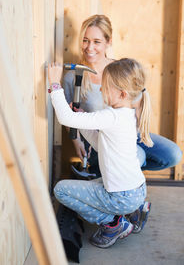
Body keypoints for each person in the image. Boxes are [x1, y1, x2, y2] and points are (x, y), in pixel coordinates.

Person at [48, 58, 152, 248]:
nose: (102, 90)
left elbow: (64, 117)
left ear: (121, 93)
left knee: (61, 190)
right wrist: (79, 118)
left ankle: (112, 224)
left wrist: (55, 85)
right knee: (94, 185)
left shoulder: (111, 116)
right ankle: (135, 211)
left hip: (121, 196)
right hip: (136, 191)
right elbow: (99, 144)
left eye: (105, 86)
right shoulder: (127, 114)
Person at [63, 14, 182, 176]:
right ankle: (116, 171)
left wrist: (137, 133)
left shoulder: (119, 71)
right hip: (100, 141)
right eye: (85, 40)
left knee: (172, 154)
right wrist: (76, 141)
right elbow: (69, 114)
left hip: (127, 133)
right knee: (136, 157)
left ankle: (115, 172)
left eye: (97, 42)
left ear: (108, 42)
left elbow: (138, 100)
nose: (89, 47)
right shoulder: (73, 77)